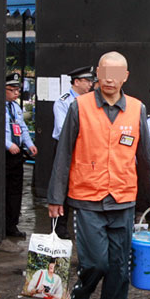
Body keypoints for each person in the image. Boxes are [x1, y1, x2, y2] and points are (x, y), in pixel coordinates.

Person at [47, 51, 150, 299]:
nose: (110, 78)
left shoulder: (137, 109)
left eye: (117, 72)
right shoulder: (80, 107)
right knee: (96, 263)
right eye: (105, 71)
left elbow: (146, 157)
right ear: (97, 73)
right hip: (87, 198)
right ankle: (81, 295)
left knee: (119, 268)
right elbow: (64, 154)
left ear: (126, 76)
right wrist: (56, 197)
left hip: (123, 199)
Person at [52, 65, 96, 238]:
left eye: (91, 81)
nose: (90, 85)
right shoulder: (63, 102)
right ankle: (60, 227)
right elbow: (63, 130)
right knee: (62, 186)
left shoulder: (92, 101)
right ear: (76, 81)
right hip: (66, 148)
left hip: (86, 150)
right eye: (87, 81)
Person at [5, 72, 37, 238]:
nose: (16, 93)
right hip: (4, 154)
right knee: (4, 189)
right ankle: (2, 223)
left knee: (15, 191)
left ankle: (12, 224)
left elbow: (22, 128)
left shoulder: (16, 107)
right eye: (12, 90)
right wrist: (8, 144)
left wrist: (29, 144)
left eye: (18, 90)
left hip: (17, 154)